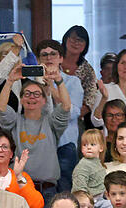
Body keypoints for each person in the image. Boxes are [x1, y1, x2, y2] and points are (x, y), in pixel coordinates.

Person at [0, 62, 71, 204]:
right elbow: (1, 107)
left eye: (37, 94)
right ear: (21, 99)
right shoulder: (15, 121)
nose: (32, 97)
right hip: (19, 189)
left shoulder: (51, 123)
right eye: (27, 94)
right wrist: (10, 81)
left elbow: (66, 106)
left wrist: (58, 80)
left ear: (44, 100)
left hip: (48, 191)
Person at [34, 40, 83, 194]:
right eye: (44, 55)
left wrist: (52, 87)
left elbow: (73, 112)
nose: (49, 58)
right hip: (39, 145)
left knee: (65, 192)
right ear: (38, 60)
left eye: (53, 54)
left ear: (61, 58)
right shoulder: (32, 83)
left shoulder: (73, 82)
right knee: (42, 194)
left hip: (64, 145)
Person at [60, 26, 98, 122]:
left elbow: (90, 99)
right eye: (73, 39)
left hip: (74, 120)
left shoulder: (88, 70)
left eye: (80, 40)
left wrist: (71, 117)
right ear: (66, 39)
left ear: (85, 45)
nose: (76, 43)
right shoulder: (53, 60)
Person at [72, 129, 108, 208]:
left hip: (101, 198)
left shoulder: (97, 163)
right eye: (85, 145)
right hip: (91, 202)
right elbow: (79, 189)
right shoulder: (83, 166)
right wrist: (87, 206)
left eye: (92, 144)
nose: (88, 147)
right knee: (115, 207)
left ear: (101, 148)